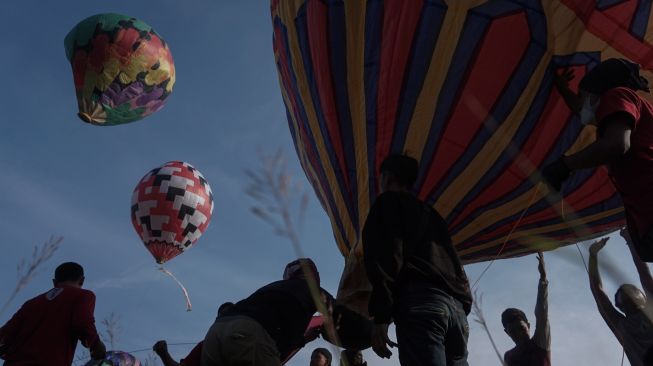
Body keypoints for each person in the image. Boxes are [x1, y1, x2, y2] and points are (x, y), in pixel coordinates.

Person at [362, 154, 473, 365]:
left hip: (421, 304)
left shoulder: (387, 203)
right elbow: (454, 261)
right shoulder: (433, 214)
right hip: (457, 311)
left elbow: (386, 259)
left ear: (387, 177)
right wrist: (463, 305)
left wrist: (381, 316)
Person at [543, 58, 653, 261]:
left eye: (583, 96)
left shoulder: (617, 95)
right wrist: (561, 87)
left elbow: (616, 145)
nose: (581, 105)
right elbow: (580, 109)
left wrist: (565, 165)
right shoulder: (627, 112)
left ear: (597, 93)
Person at [200, 258, 342, 366]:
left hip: (215, 333)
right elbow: (343, 316)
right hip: (248, 334)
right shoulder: (309, 290)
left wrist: (304, 340)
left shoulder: (271, 289)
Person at [0, 262, 106, 365]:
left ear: (54, 282)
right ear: (82, 280)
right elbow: (82, 323)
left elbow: (5, 334)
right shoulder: (83, 295)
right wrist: (95, 345)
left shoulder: (31, 303)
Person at [589, 232, 653, 366]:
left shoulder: (621, 325)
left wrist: (593, 256)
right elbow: (644, 272)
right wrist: (631, 240)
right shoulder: (622, 325)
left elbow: (597, 290)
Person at [501, 252, 550, 366]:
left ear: (528, 325)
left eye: (522, 329)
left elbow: (542, 314)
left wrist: (543, 279)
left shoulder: (539, 343)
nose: (519, 335)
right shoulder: (509, 356)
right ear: (507, 333)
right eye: (513, 331)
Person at [153, 302, 235, 366]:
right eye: (223, 316)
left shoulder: (247, 339)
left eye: (231, 314)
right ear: (217, 320)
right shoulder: (205, 346)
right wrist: (164, 354)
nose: (227, 319)